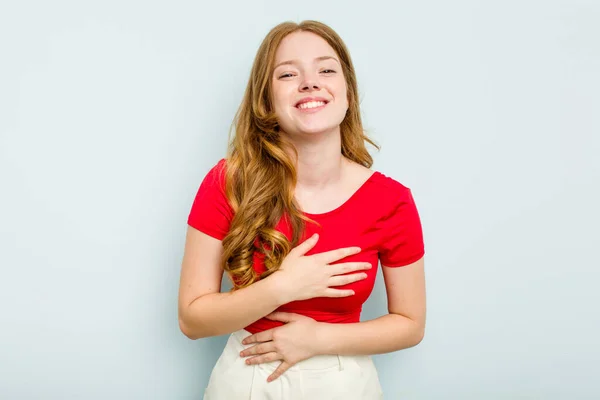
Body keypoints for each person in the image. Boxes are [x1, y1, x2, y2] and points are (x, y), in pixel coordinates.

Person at [178, 20, 426, 399]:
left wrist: (318, 338)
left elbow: (411, 324)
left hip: (345, 383)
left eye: (326, 69)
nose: (310, 82)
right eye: (288, 74)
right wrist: (283, 285)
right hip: (245, 378)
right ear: (266, 100)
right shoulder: (228, 182)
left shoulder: (391, 201)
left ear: (347, 93)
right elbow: (192, 319)